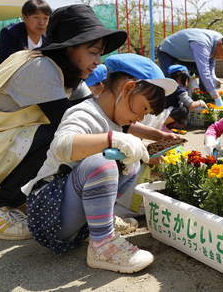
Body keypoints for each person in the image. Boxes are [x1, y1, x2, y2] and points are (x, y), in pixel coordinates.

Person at [21, 53, 179, 272]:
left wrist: (148, 145)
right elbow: (61, 145)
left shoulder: (112, 119)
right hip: (49, 212)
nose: (141, 118)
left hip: (69, 213)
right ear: (127, 89)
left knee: (130, 161)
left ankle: (98, 226)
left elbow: (125, 135)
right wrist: (111, 140)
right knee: (102, 161)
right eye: (143, 109)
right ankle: (103, 247)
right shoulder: (84, 113)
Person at [0, 4, 127, 240]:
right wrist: (117, 140)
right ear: (69, 48)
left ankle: (17, 199)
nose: (99, 61)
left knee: (75, 138)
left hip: (7, 147)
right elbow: (70, 126)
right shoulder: (40, 67)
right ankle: (2, 202)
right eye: (93, 52)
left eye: (100, 53)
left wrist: (152, 137)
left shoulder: (69, 73)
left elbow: (99, 113)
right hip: (2, 147)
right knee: (58, 136)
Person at [156, 28, 223, 107]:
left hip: (185, 55)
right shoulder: (201, 45)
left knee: (208, 79)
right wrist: (217, 97)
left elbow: (211, 62)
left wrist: (213, 76)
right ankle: (169, 110)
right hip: (167, 51)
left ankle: (206, 103)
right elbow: (205, 73)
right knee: (170, 81)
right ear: (220, 45)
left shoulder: (220, 40)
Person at [0, 0, 52, 64]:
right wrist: (27, 55)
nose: (42, 23)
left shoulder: (51, 36)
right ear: (24, 18)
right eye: (36, 17)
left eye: (46, 18)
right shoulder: (10, 33)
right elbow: (5, 64)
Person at [164, 64, 207, 129]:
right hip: (164, 114)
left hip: (156, 114)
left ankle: (169, 124)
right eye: (187, 80)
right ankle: (163, 124)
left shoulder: (166, 86)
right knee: (183, 110)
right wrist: (200, 102)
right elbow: (191, 105)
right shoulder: (178, 88)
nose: (187, 84)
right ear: (182, 77)